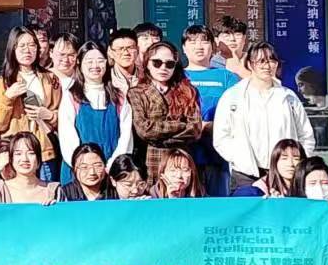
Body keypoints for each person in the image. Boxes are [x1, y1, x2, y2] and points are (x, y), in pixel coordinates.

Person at [212, 41, 317, 190]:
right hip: (245, 175)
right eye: (261, 61)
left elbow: (305, 134)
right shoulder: (232, 96)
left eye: (272, 60)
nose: (267, 66)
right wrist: (239, 158)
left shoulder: (288, 97)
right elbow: (221, 137)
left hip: (284, 174)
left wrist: (296, 161)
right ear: (250, 64)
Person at [0, 26, 61, 179]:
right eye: (22, 46)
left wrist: (50, 115)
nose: (27, 50)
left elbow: (65, 114)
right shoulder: (1, 81)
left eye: (32, 45)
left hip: (44, 150)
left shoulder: (50, 78)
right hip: (15, 153)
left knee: (45, 191)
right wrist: (8, 97)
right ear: (12, 49)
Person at [126, 41, 204, 183]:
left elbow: (195, 129)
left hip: (182, 161)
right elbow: (144, 130)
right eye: (157, 63)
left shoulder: (188, 91)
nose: (163, 68)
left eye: (169, 64)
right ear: (147, 64)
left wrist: (159, 139)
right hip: (151, 161)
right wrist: (180, 125)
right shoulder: (136, 93)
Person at [181, 23, 240, 196]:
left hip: (218, 155)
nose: (199, 46)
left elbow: (237, 112)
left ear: (213, 47)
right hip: (185, 154)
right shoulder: (178, 76)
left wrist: (214, 126)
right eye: (192, 42)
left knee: (218, 203)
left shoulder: (226, 77)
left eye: (204, 41)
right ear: (184, 48)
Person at [58, 42, 134, 177]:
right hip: (78, 171)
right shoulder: (71, 97)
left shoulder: (119, 97)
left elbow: (126, 137)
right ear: (79, 63)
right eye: (89, 61)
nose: (95, 66)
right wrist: (84, 167)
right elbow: (67, 136)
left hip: (112, 170)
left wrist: (112, 166)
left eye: (100, 60)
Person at [0, 132, 56, 205]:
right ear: (11, 159)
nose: (25, 159)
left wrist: (55, 208)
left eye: (31, 153)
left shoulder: (54, 191)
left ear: (38, 159)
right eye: (18, 154)